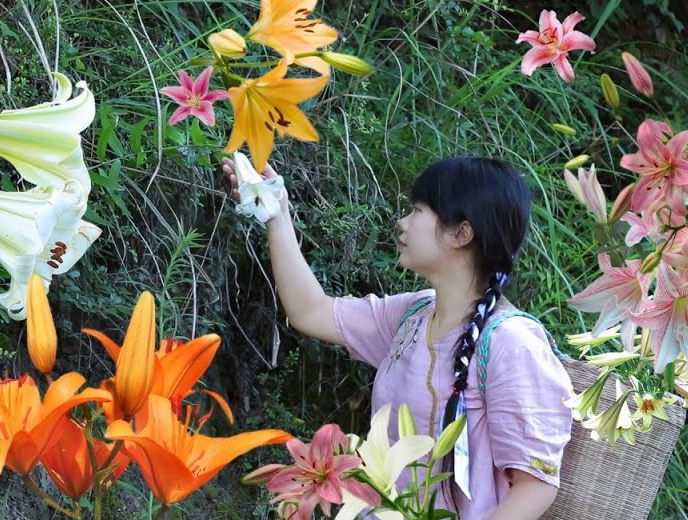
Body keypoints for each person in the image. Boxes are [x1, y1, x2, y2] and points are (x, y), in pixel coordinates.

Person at [222, 155, 572, 520]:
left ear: (462, 233)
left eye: (418, 211)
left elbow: (535, 486)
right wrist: (277, 215)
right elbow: (311, 311)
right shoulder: (415, 314)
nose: (402, 222)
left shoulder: (512, 344)